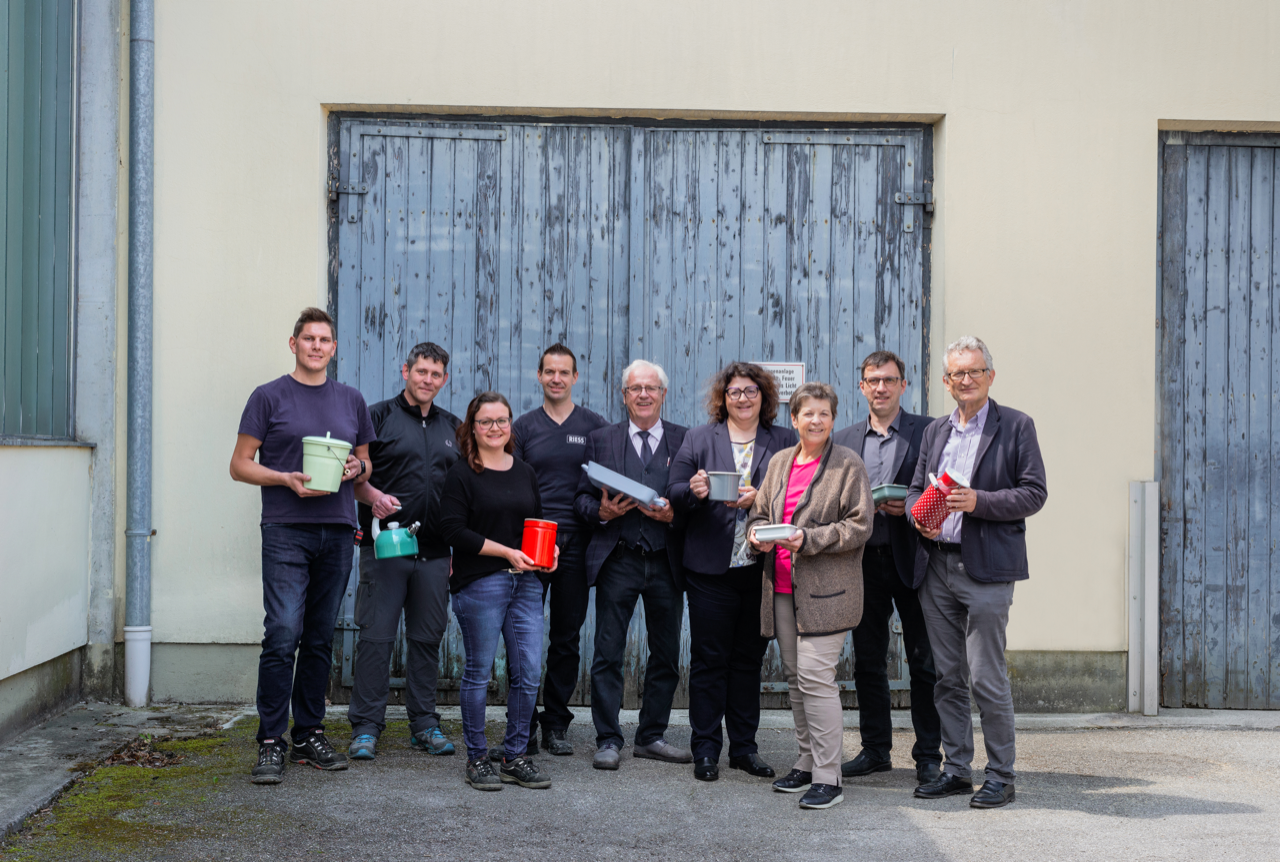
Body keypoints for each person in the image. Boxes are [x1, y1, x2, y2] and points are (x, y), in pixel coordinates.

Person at [230, 307, 376, 785]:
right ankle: (270, 739)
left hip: (336, 528)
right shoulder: (269, 397)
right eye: (308, 338)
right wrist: (285, 480)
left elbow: (363, 465)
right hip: (286, 527)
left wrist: (357, 471)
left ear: (334, 348)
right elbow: (240, 464)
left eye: (325, 340)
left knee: (318, 637)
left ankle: (307, 731)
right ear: (293, 344)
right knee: (283, 633)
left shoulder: (351, 399)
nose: (316, 346)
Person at [906, 336, 1047, 810]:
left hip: (986, 569)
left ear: (990, 375)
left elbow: (1034, 493)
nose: (965, 380)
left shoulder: (1016, 426)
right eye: (956, 374)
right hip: (936, 566)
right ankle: (957, 770)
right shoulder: (935, 432)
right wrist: (917, 515)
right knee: (947, 676)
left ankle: (1002, 777)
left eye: (974, 371)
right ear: (946, 382)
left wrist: (978, 502)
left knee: (987, 677)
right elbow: (912, 490)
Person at [745, 382, 873, 810]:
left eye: (824, 413)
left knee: (817, 679)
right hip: (781, 588)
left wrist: (809, 538)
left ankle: (828, 775)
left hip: (828, 593)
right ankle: (805, 761)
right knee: (797, 680)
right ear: (794, 419)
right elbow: (761, 511)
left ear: (833, 420)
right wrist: (758, 534)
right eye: (807, 413)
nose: (815, 420)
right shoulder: (780, 462)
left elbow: (859, 526)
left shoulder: (847, 464)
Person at [668, 362, 796, 782]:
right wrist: (694, 490)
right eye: (735, 391)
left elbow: (800, 495)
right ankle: (706, 750)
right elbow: (674, 491)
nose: (743, 398)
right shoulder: (700, 438)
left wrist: (762, 499)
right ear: (723, 398)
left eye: (751, 391)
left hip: (760, 571)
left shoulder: (783, 440)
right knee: (709, 661)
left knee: (748, 662)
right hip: (710, 570)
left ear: (764, 396)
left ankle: (744, 748)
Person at [437, 392, 559, 791]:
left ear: (511, 425)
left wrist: (550, 552)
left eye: (502, 421)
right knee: (479, 672)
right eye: (486, 421)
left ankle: (514, 756)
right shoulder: (462, 473)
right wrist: (506, 551)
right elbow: (453, 530)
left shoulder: (524, 471)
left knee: (528, 672)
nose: (495, 428)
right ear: (472, 427)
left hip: (526, 582)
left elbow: (535, 523)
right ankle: (477, 759)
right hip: (481, 582)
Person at [573, 359, 691, 771]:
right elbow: (581, 499)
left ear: (662, 394)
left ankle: (651, 736)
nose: (643, 394)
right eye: (635, 388)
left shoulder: (686, 439)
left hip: (666, 561)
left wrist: (674, 515)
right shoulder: (601, 439)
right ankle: (608, 738)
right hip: (618, 558)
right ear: (624, 395)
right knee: (607, 651)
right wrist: (602, 511)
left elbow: (695, 501)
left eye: (651, 388)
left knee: (666, 653)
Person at [832, 351, 942, 786]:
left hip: (912, 560)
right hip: (860, 564)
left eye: (889, 380)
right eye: (873, 380)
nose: (880, 387)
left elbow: (942, 486)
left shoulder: (929, 431)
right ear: (862, 387)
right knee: (868, 662)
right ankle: (876, 750)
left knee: (924, 663)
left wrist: (913, 506)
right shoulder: (843, 440)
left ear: (903, 385)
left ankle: (928, 756)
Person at [346, 342, 460, 761]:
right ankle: (365, 727)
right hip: (387, 548)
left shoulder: (454, 428)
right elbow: (355, 476)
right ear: (405, 371)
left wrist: (457, 550)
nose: (427, 380)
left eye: (436, 374)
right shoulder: (376, 418)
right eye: (421, 372)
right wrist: (373, 495)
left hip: (435, 553)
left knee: (427, 639)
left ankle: (424, 724)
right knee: (376, 638)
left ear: (444, 379)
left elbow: (462, 493)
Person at [502, 344, 608, 759]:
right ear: (540, 376)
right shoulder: (524, 427)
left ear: (575, 377)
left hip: (579, 544)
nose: (557, 379)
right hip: (532, 544)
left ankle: (556, 724)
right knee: (524, 638)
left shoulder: (595, 427)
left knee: (566, 637)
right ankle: (523, 724)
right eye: (550, 372)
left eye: (564, 372)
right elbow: (512, 485)